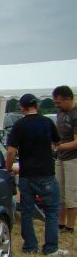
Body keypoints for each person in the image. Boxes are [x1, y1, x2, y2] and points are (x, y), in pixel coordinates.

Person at [6, 93, 67, 256]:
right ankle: (51, 248)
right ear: (37, 106)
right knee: (52, 211)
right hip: (46, 173)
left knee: (26, 211)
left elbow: (11, 151)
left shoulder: (19, 125)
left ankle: (30, 247)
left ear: (22, 108)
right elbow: (57, 143)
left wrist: (8, 167)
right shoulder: (47, 122)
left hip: (26, 174)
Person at [52, 85, 77, 235]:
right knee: (59, 192)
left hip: (73, 160)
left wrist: (58, 147)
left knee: (71, 193)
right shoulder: (60, 113)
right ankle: (60, 223)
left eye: (59, 102)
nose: (57, 105)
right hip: (60, 159)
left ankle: (70, 226)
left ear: (69, 99)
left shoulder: (75, 114)